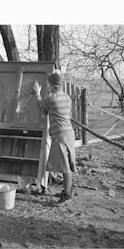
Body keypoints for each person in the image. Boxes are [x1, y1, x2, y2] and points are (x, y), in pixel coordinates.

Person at [33, 71, 76, 204]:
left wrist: (37, 93)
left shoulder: (51, 98)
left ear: (52, 85)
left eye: (49, 83)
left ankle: (67, 195)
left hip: (60, 135)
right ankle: (67, 190)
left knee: (65, 167)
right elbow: (49, 110)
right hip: (69, 134)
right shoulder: (67, 97)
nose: (47, 85)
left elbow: (42, 107)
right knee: (67, 164)